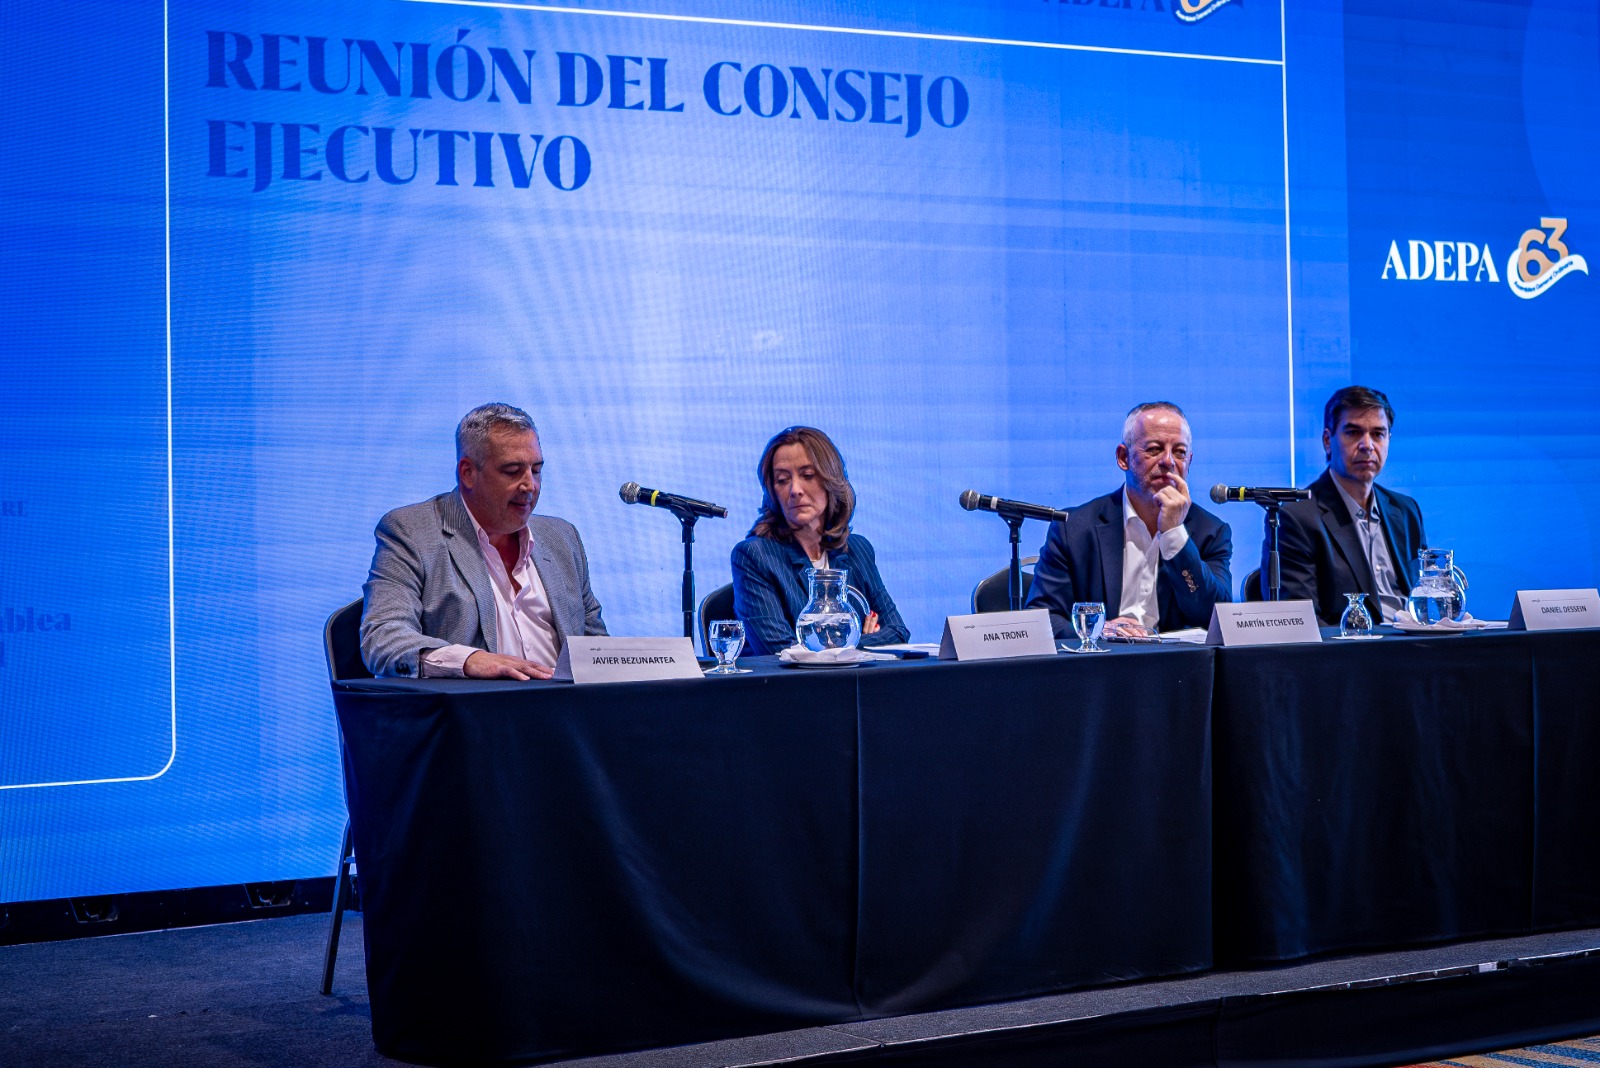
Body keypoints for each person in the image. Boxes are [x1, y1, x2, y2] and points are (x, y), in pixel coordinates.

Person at [360, 403, 606, 679]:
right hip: (475, 716)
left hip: (565, 715)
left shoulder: (562, 537)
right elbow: (382, 639)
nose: (530, 485)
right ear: (468, 473)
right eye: (513, 471)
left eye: (536, 470)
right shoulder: (412, 532)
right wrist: (468, 661)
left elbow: (596, 649)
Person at [1025, 402, 1233, 638]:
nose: (1168, 461)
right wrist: (1096, 631)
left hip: (1176, 669)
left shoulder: (1211, 531)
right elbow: (1042, 618)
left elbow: (1215, 619)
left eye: (1179, 452)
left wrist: (1174, 534)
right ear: (1123, 457)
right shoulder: (1073, 528)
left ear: (1189, 463)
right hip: (1103, 665)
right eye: (1154, 449)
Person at [731, 426, 909, 655]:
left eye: (807, 476)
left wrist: (829, 647)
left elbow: (898, 631)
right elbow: (777, 649)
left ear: (830, 481)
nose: (795, 490)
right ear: (772, 492)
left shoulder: (857, 550)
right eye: (783, 480)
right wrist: (855, 640)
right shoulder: (754, 556)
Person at [1270, 385, 1425, 625]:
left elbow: (1425, 596)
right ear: (1327, 440)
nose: (1367, 445)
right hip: (1349, 654)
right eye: (1353, 433)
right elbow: (1301, 622)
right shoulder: (1296, 516)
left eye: (1378, 434)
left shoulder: (1405, 511)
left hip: (1415, 648)